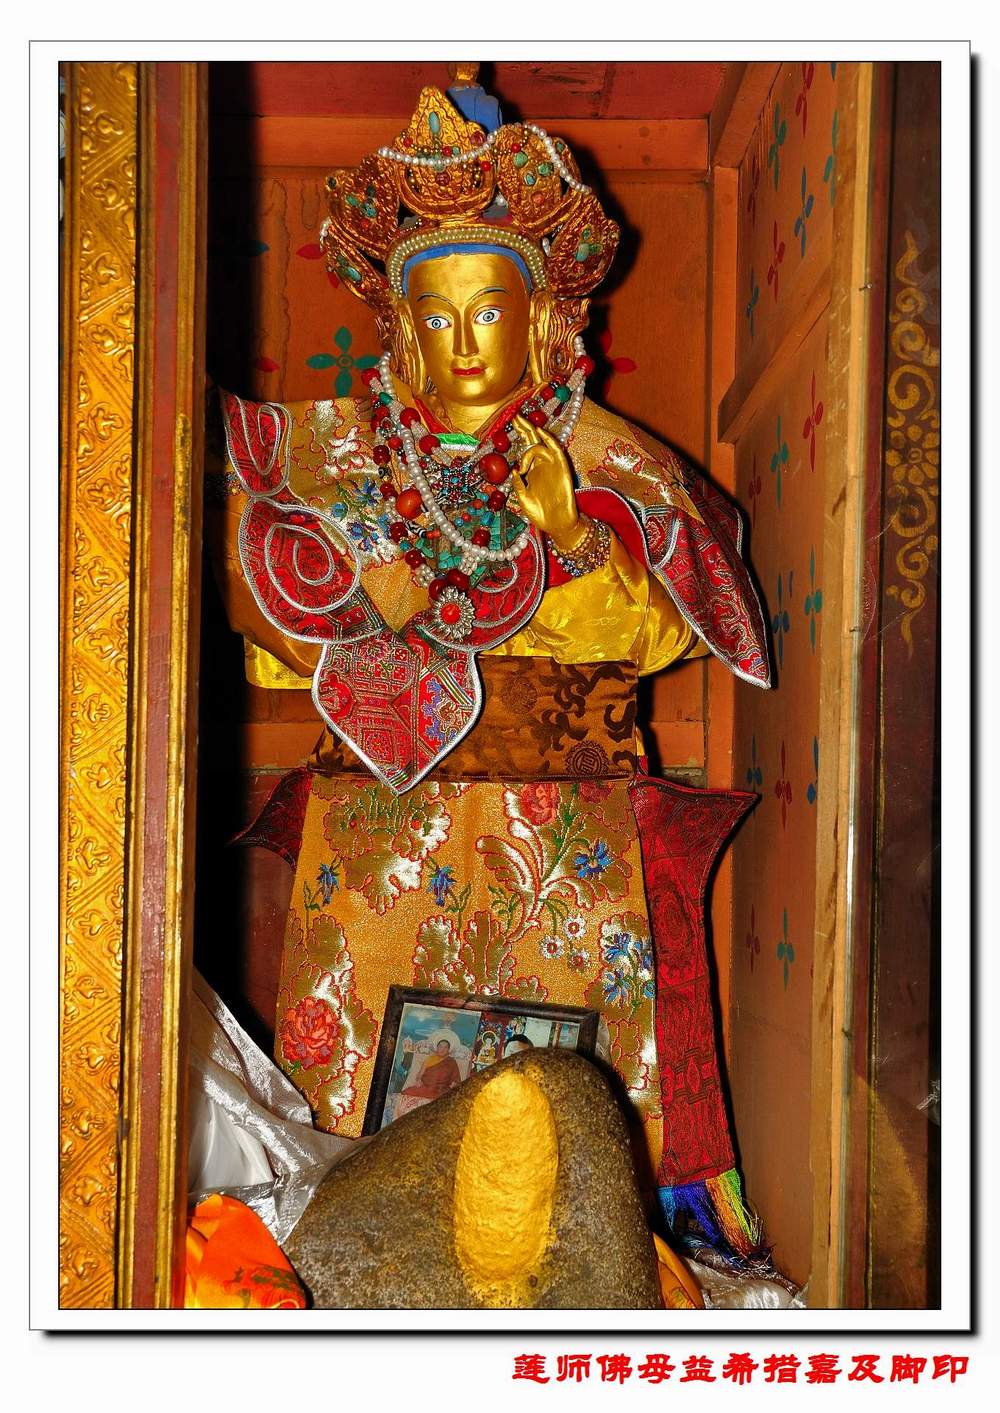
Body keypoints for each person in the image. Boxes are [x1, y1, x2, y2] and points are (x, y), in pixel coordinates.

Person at [210, 78, 770, 1264]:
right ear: (402, 329)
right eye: (437, 316)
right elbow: (270, 635)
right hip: (382, 831)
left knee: (561, 1114)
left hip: (563, 829)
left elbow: (664, 632)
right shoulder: (333, 460)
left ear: (542, 319)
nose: (463, 346)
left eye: (489, 312)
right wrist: (335, 609)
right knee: (367, 1104)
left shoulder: (608, 461)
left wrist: (571, 534)